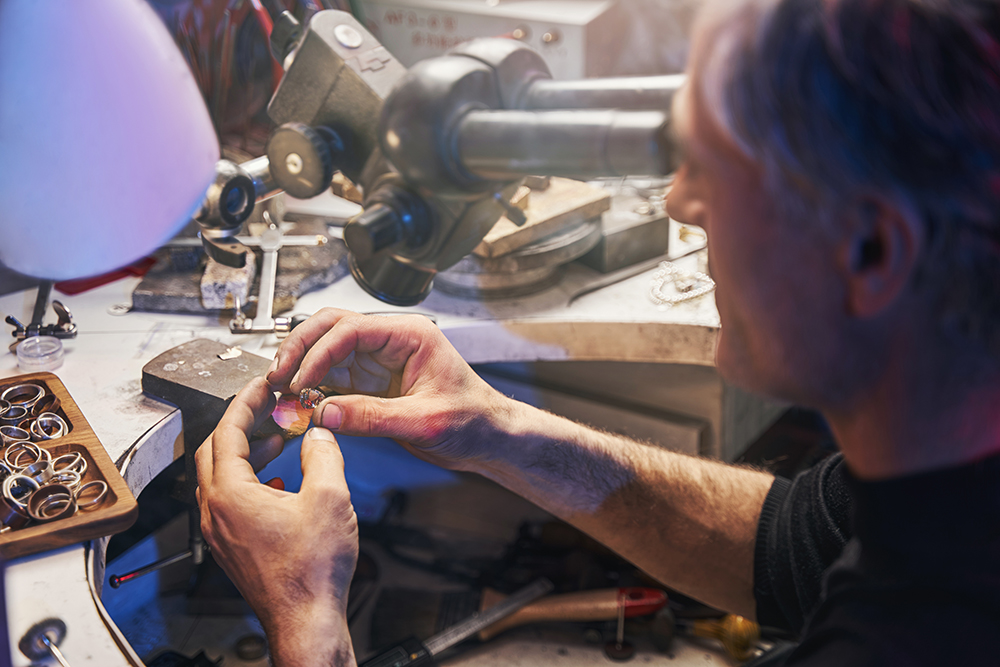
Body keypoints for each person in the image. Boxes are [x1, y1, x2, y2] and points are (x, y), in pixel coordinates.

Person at [194, 0, 1000, 664]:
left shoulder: (916, 636)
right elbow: (793, 548)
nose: (681, 202)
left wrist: (305, 624)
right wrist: (495, 429)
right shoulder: (945, 481)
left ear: (872, 250)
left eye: (714, 164)